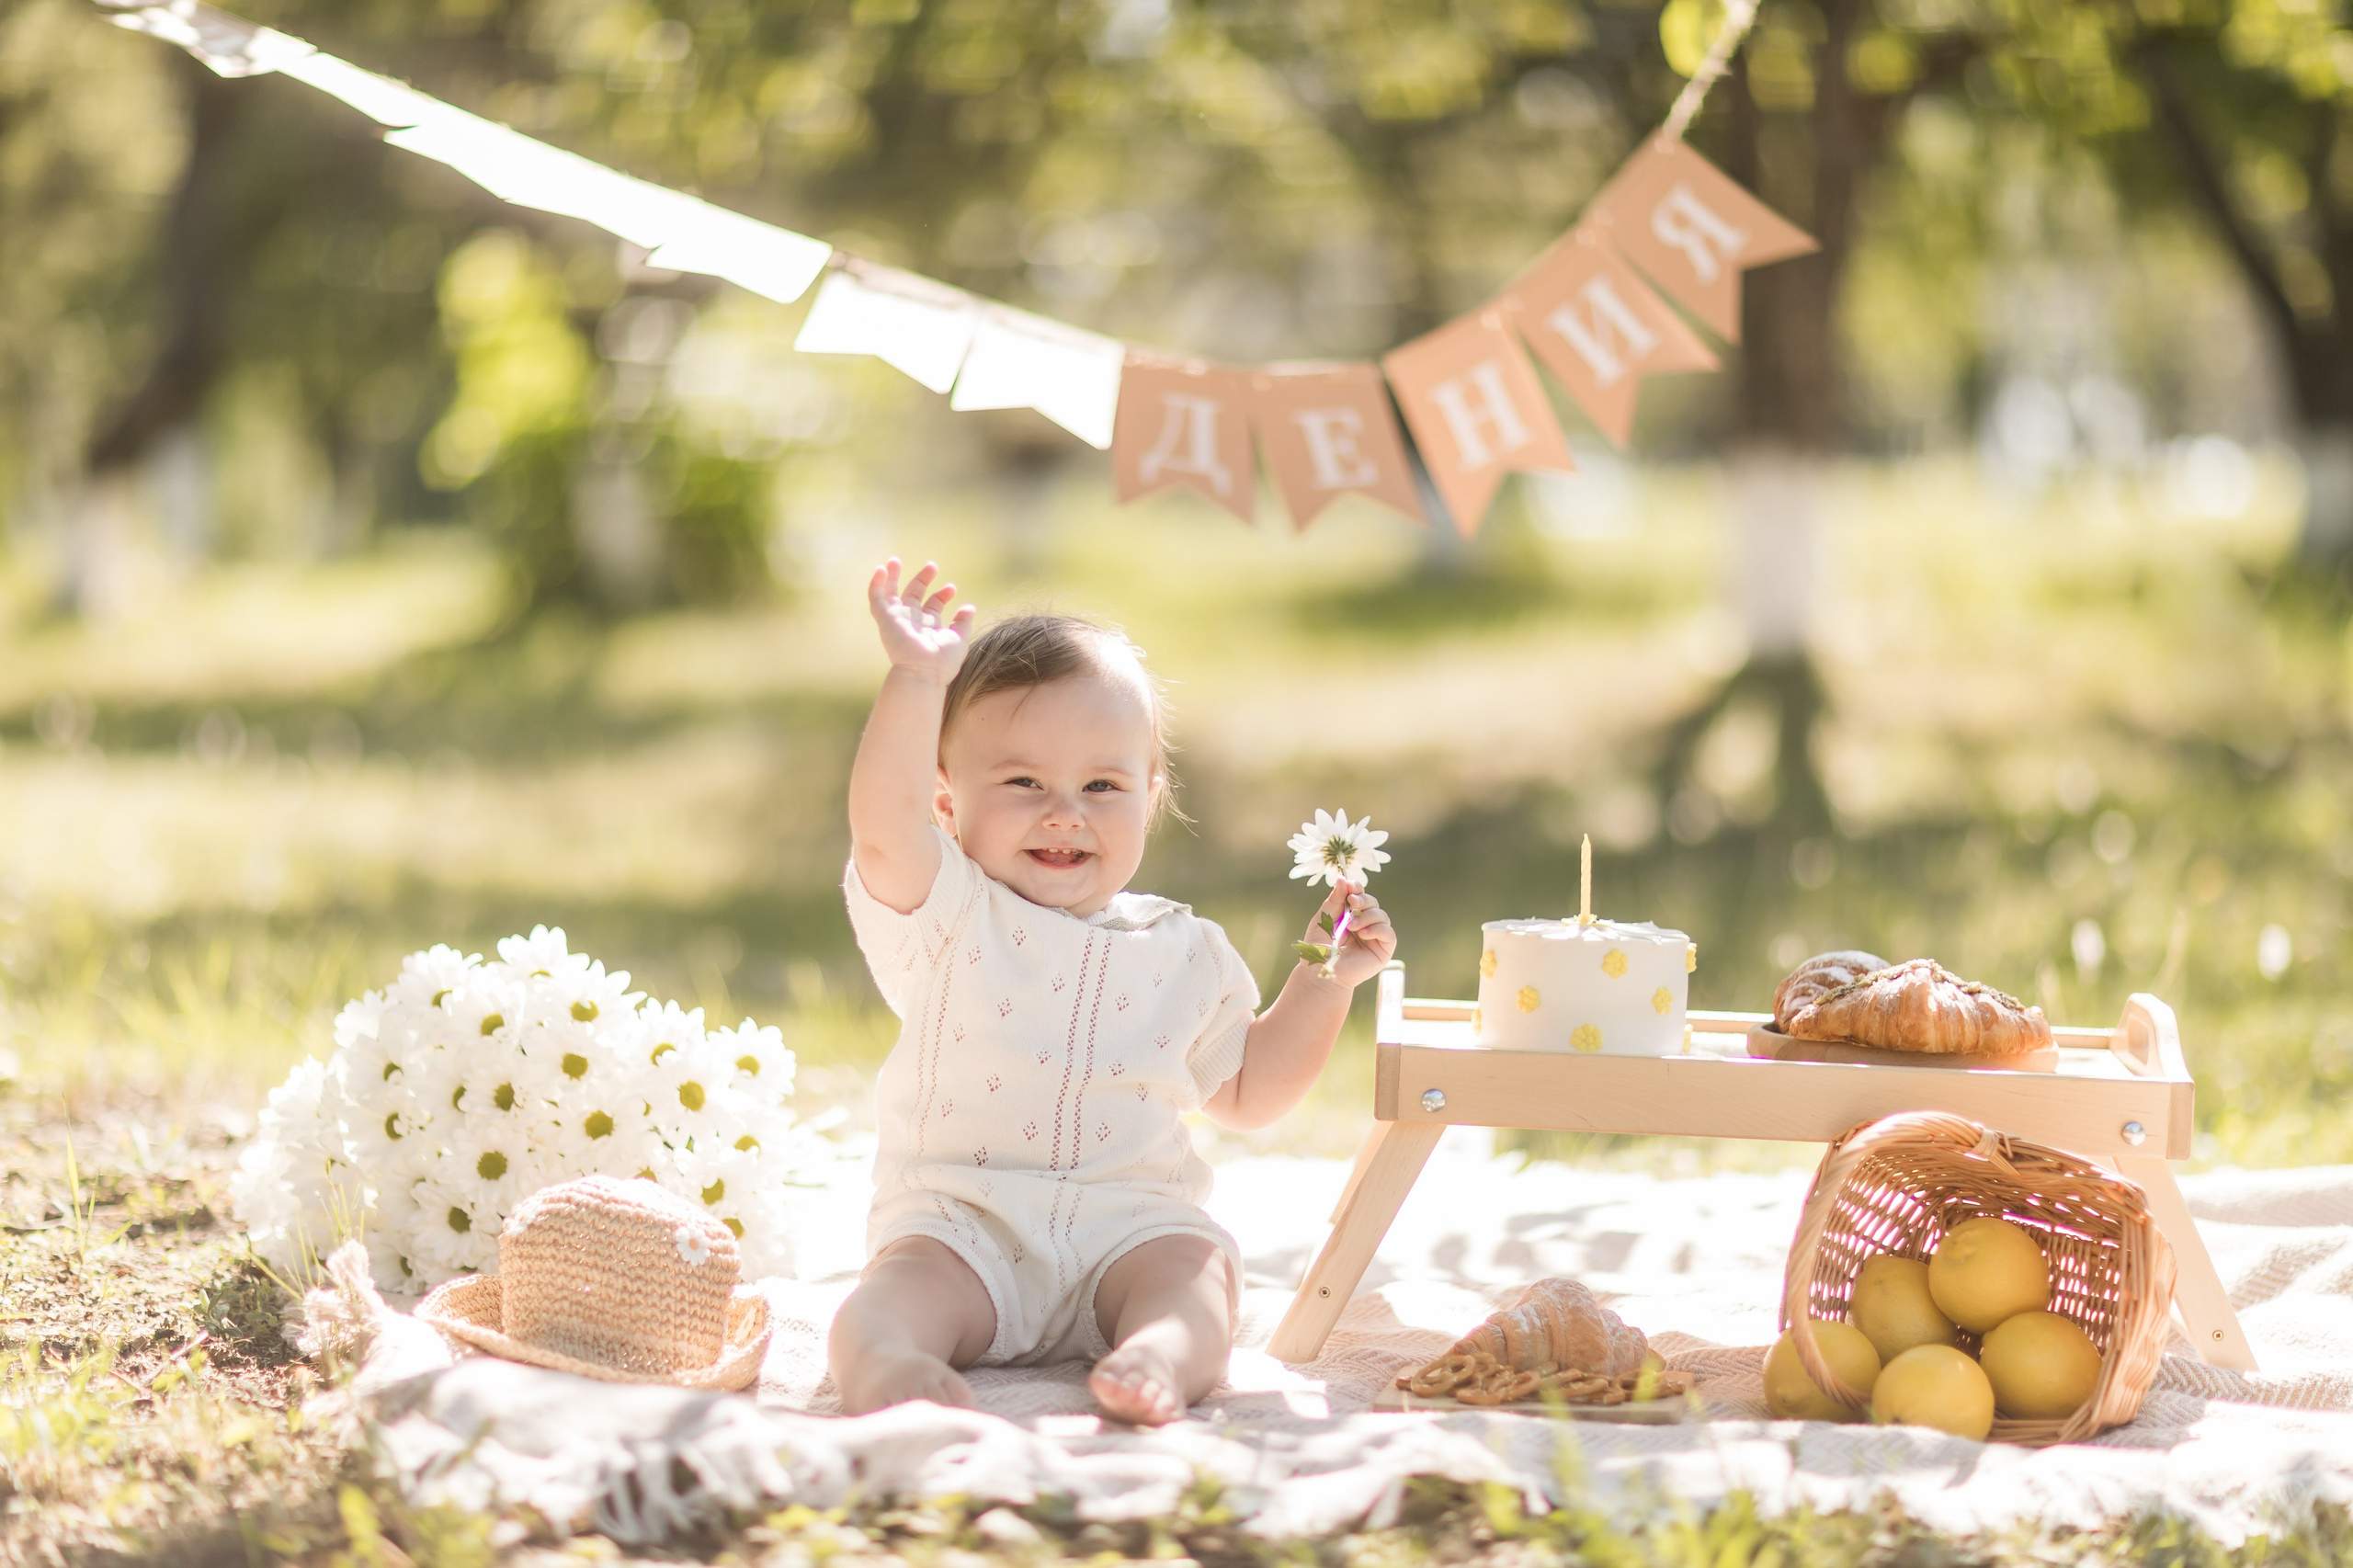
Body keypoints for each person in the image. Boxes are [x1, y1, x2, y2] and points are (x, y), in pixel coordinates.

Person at [829, 558, 1395, 1426]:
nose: (1066, 812)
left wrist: (1326, 979)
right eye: (1024, 783)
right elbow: (882, 827)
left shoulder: (1185, 952)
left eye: (1102, 786)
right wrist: (916, 679)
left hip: (1129, 1230)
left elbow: (1249, 1094)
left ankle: (1157, 1357)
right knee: (899, 1290)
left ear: (1150, 798)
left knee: (1198, 1273)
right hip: (962, 1224)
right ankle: (889, 1360)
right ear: (946, 804)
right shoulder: (947, 912)